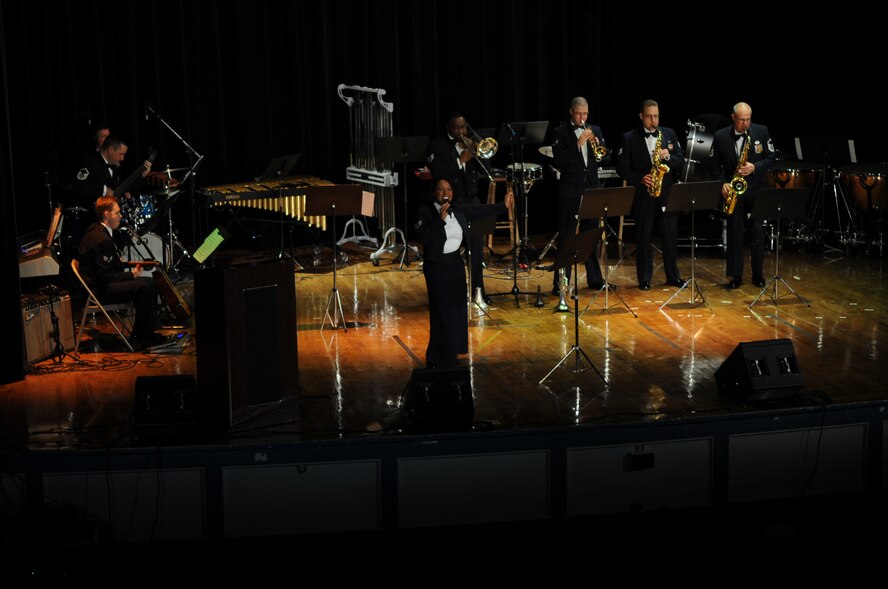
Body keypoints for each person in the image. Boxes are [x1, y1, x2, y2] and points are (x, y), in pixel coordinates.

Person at [414, 178, 513, 368]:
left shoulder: (457, 210)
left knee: (458, 311)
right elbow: (423, 237)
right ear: (434, 192)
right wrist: (439, 221)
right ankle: (437, 357)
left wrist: (503, 205)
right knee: (443, 313)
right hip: (437, 268)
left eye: (449, 189)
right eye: (441, 189)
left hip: (456, 266)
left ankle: (452, 352)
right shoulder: (425, 213)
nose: (446, 192)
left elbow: (480, 211)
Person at [77, 195, 167, 347]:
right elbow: (105, 277)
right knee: (143, 286)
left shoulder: (97, 230)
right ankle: (143, 335)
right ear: (107, 215)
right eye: (117, 213)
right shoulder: (101, 239)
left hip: (103, 284)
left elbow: (110, 266)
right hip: (99, 292)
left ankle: (143, 332)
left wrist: (128, 269)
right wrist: (130, 275)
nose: (120, 216)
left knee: (149, 282)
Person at [617, 99, 686, 290]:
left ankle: (673, 276)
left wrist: (669, 157)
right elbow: (622, 168)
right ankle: (645, 279)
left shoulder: (669, 134)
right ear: (641, 116)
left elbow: (680, 161)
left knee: (670, 236)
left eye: (656, 116)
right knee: (643, 237)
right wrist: (641, 178)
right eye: (649, 116)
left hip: (666, 192)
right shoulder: (629, 137)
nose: (653, 120)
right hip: (644, 194)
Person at [708, 102, 776, 289]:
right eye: (741, 120)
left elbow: (771, 158)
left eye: (748, 120)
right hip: (734, 191)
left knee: (757, 232)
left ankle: (758, 275)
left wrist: (755, 167)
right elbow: (713, 166)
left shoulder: (761, 132)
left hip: (756, 190)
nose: (745, 124)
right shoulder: (720, 136)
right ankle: (736, 276)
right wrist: (723, 182)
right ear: (733, 118)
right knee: (734, 233)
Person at [427, 113, 491, 304]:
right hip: (452, 206)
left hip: (472, 202)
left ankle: (478, 291)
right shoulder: (437, 146)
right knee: (449, 250)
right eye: (456, 128)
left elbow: (486, 169)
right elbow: (436, 173)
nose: (460, 131)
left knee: (477, 249)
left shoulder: (471, 144)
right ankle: (450, 293)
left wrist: (478, 152)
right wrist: (460, 161)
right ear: (448, 127)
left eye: (463, 127)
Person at [550, 97, 612, 296]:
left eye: (585, 114)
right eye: (579, 114)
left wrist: (597, 144)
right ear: (571, 111)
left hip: (591, 189)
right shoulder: (560, 132)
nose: (582, 118)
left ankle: (595, 279)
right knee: (567, 236)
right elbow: (559, 160)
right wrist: (578, 144)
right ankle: (561, 282)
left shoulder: (596, 129)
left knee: (591, 235)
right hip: (570, 190)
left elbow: (606, 156)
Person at [73, 135, 152, 208]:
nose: (122, 158)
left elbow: (120, 188)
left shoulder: (114, 166)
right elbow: (79, 187)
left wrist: (142, 174)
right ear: (111, 150)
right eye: (120, 154)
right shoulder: (90, 161)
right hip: (91, 214)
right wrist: (104, 190)